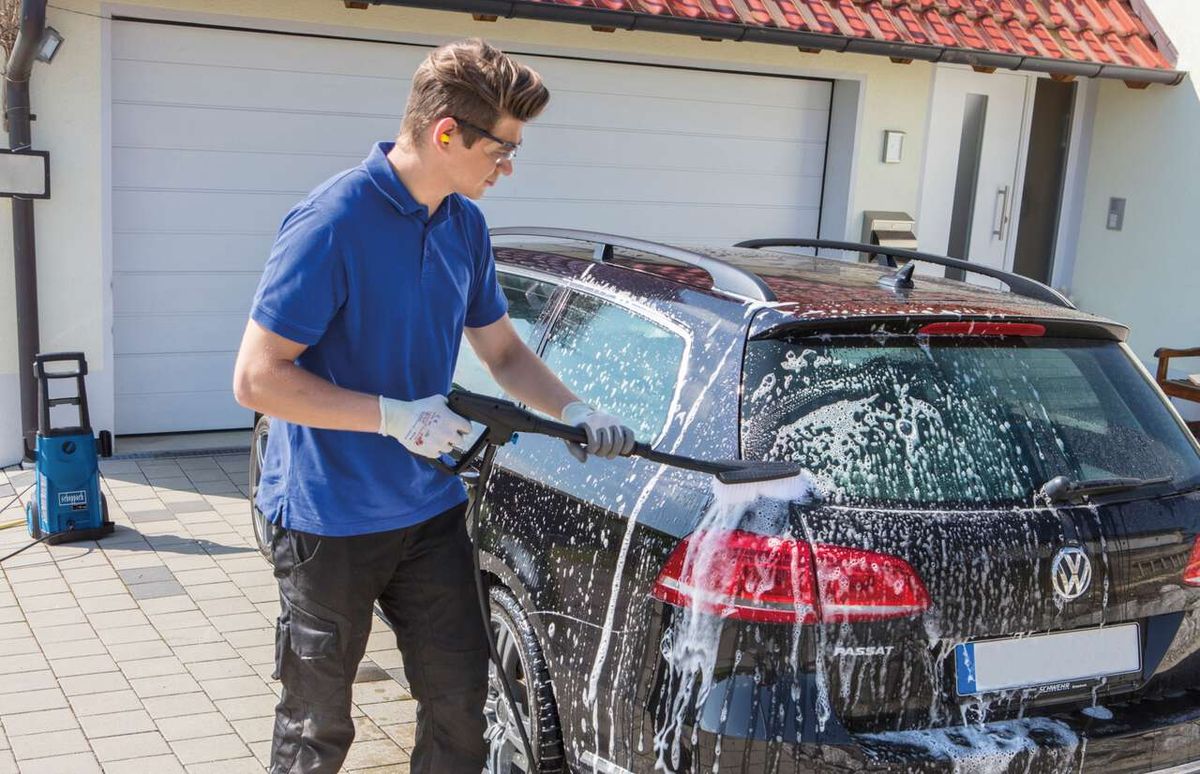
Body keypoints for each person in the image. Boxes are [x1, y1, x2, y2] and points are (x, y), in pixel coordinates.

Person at [232, 38, 635, 774]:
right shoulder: (331, 224)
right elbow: (258, 379)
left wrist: (575, 408)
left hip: (429, 511)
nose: (508, 167)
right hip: (328, 519)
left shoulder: (463, 224)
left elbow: (503, 353)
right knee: (317, 729)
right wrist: (393, 416)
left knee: (460, 708)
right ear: (447, 132)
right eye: (502, 149)